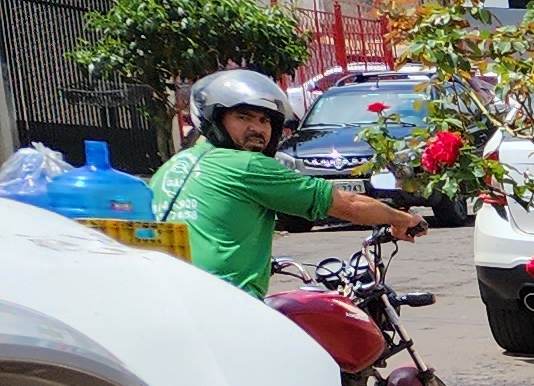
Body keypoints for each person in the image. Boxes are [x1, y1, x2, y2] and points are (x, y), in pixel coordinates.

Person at [149, 68, 424, 296]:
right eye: (243, 117)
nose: (256, 128)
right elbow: (347, 205)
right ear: (216, 120)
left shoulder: (172, 166)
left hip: (169, 294)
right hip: (226, 302)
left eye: (264, 120)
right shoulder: (248, 166)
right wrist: (400, 219)